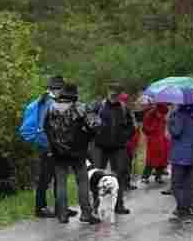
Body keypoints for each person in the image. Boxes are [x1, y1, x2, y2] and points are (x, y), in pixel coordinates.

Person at [43, 79, 98, 224]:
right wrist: (88, 137)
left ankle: (62, 215)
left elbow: (46, 128)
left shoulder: (51, 108)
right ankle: (86, 213)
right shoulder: (81, 107)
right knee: (82, 181)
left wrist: (53, 145)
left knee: (61, 183)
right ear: (75, 93)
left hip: (58, 152)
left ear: (62, 92)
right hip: (78, 152)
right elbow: (95, 126)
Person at [89, 90, 136, 215]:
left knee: (119, 175)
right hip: (100, 147)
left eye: (116, 94)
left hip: (118, 147)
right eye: (111, 93)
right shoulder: (99, 106)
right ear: (108, 93)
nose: (113, 96)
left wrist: (124, 137)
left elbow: (132, 126)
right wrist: (97, 135)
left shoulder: (124, 108)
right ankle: (96, 206)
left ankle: (118, 205)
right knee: (97, 176)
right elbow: (90, 123)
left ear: (119, 95)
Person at [31, 76, 63, 218]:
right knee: (45, 177)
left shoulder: (48, 100)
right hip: (47, 146)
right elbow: (43, 127)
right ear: (57, 89)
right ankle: (40, 208)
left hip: (50, 145)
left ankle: (60, 207)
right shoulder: (48, 102)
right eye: (61, 89)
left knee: (56, 176)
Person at [167, 100, 193, 218]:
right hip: (192, 153)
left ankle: (183, 208)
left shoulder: (178, 115)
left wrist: (170, 121)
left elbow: (176, 132)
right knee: (187, 182)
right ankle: (187, 206)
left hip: (179, 155)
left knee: (176, 184)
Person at [139, 101, 169, 186]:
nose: (162, 115)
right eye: (161, 113)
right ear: (157, 111)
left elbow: (164, 126)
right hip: (153, 140)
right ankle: (145, 177)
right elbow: (144, 128)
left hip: (161, 139)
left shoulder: (162, 115)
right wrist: (152, 129)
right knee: (151, 159)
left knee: (162, 159)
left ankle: (158, 176)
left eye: (163, 114)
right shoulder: (149, 114)